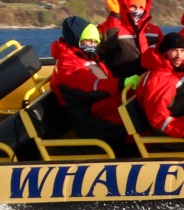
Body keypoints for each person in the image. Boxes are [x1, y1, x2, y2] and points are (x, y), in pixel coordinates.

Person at [48, 16, 129, 151]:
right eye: (87, 40)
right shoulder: (67, 64)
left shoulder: (89, 58)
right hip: (93, 121)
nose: (92, 44)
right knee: (141, 124)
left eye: (94, 41)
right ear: (76, 40)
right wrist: (120, 83)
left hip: (107, 110)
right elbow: (88, 85)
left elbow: (108, 35)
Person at [97, 0, 161, 78]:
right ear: (124, 7)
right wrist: (114, 16)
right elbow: (104, 48)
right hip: (119, 81)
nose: (137, 10)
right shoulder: (110, 26)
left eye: (140, 7)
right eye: (133, 6)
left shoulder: (154, 30)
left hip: (146, 80)